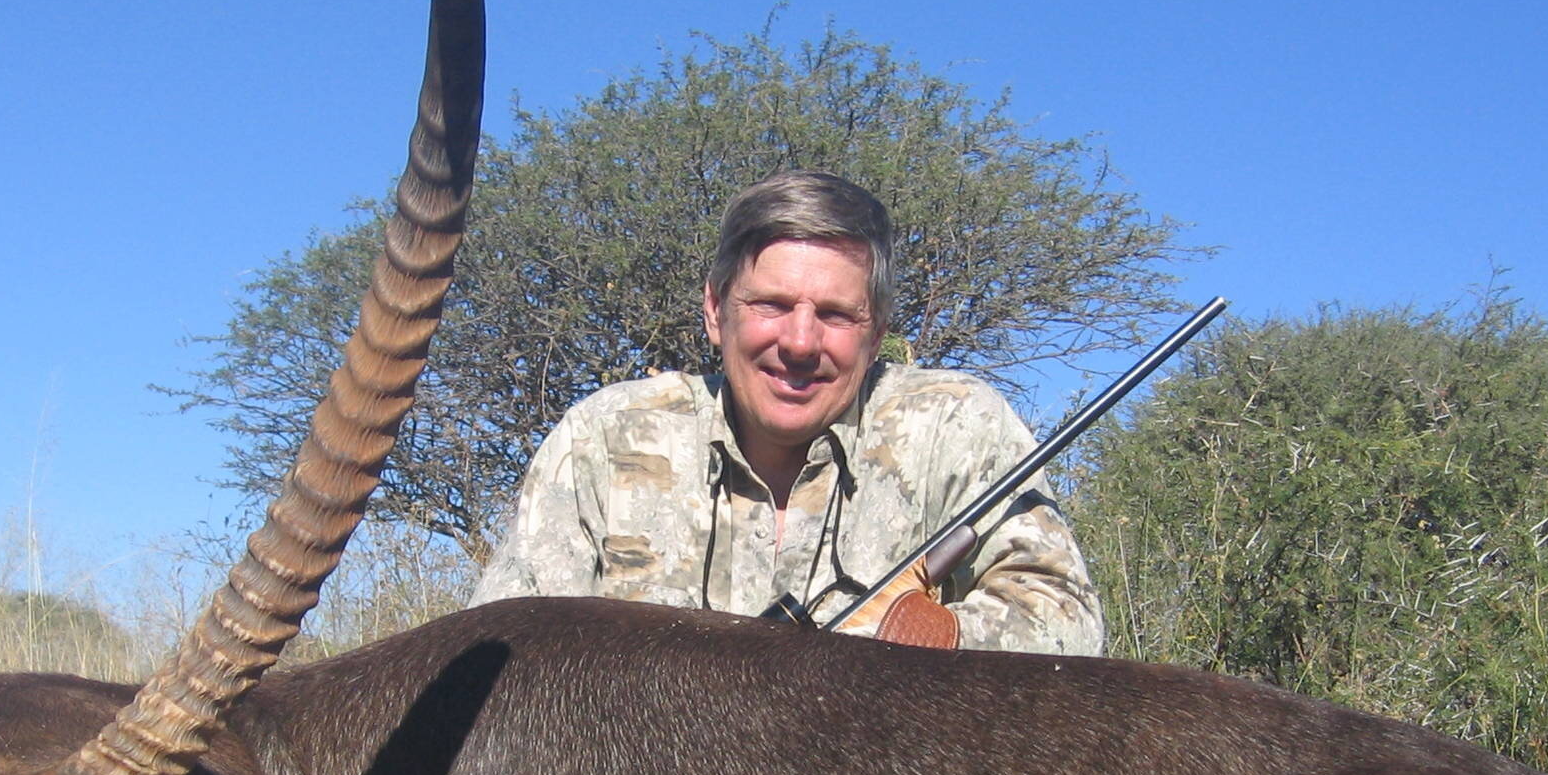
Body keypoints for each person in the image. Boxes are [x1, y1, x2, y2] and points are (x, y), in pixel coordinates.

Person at [471, 171, 1105, 654]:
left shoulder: (956, 424)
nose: (801, 343)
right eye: (772, 304)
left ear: (876, 330)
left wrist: (902, 641)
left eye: (835, 314)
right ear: (717, 312)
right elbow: (504, 648)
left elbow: (1067, 621)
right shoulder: (605, 438)